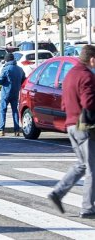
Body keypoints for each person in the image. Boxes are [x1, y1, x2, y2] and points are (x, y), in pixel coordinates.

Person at [47, 45, 95, 218]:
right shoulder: (86, 76)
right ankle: (88, 208)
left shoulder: (70, 75)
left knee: (82, 164)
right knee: (92, 168)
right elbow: (89, 103)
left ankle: (57, 193)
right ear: (92, 60)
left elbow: (64, 103)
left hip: (70, 124)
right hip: (84, 126)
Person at [0, 53, 26, 136]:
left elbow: (0, 81)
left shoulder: (6, 69)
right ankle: (17, 130)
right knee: (15, 110)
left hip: (6, 92)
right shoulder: (20, 69)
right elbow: (24, 80)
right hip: (15, 92)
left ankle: (1, 130)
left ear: (6, 60)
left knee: (3, 110)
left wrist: (0, 80)